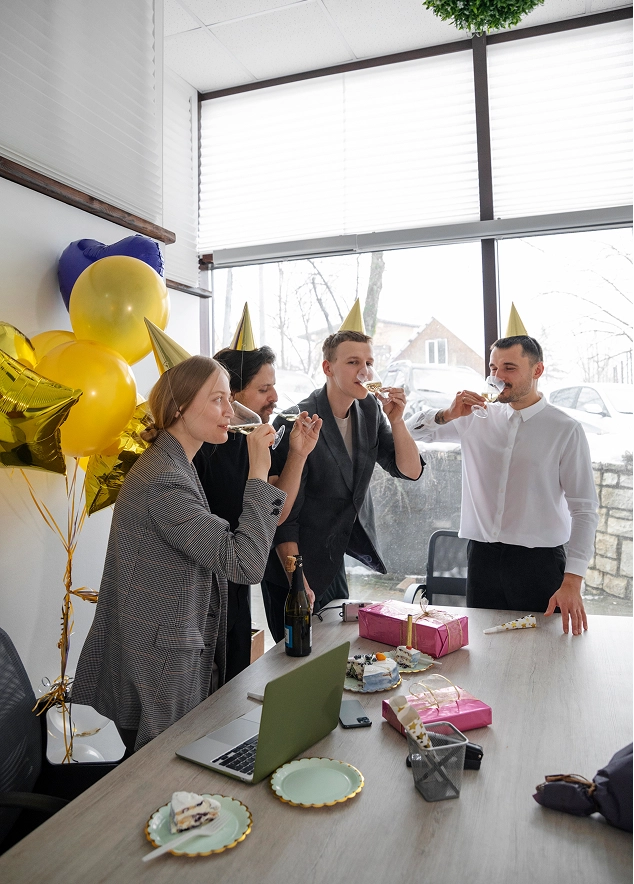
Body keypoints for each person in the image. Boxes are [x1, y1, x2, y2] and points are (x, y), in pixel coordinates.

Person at [71, 355, 286, 752]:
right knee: (160, 774)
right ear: (179, 408)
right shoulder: (165, 479)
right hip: (158, 664)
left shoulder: (176, 464)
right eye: (218, 399)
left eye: (229, 399)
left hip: (169, 651)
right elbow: (246, 564)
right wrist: (259, 472)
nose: (230, 411)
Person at [406, 335, 599, 636]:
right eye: (493, 368)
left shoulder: (565, 429)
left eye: (509, 367)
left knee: (544, 650)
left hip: (540, 564)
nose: (497, 377)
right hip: (481, 560)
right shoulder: (473, 417)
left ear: (537, 370)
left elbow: (584, 509)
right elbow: (408, 432)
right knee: (483, 647)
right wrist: (448, 413)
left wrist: (573, 580)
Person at [261, 323, 424, 643]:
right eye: (353, 362)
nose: (364, 371)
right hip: (290, 565)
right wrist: (297, 581)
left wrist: (397, 420)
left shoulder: (369, 410)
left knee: (336, 652)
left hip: (333, 559)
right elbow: (282, 517)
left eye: (369, 362)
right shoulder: (296, 421)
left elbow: (409, 470)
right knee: (295, 658)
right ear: (328, 368)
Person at [194, 343, 321, 679]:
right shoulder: (202, 449)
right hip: (201, 595)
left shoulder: (252, 440)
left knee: (234, 679)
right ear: (231, 395)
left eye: (273, 387)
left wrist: (298, 453)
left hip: (237, 589)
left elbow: (276, 515)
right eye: (264, 389)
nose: (275, 398)